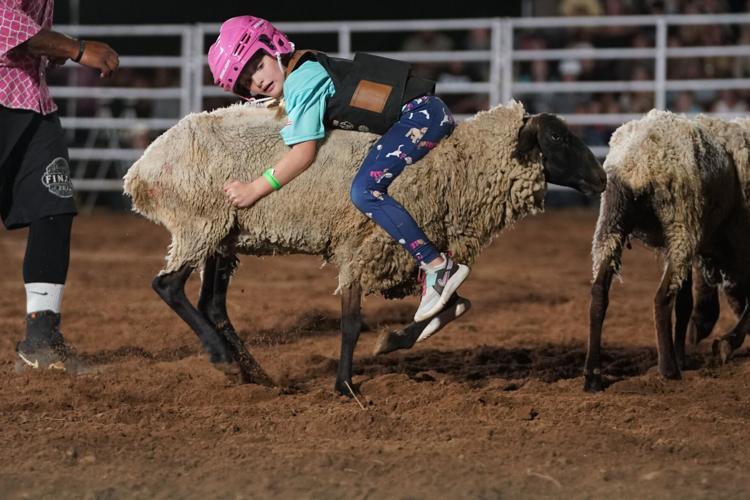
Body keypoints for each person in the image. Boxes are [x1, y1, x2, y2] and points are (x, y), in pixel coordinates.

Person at [208, 16, 470, 324]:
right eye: (247, 82)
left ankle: (438, 267)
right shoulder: (302, 69)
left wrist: (254, 189)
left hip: (420, 117)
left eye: (258, 65)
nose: (258, 81)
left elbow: (303, 153)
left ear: (272, 46)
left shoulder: (300, 81)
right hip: (417, 114)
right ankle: (437, 283)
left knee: (365, 191)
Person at [0, 1, 119, 372]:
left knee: (55, 204)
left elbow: (27, 38)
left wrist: (53, 52)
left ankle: (42, 338)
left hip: (31, 101)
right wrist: (77, 49)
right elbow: (5, 21)